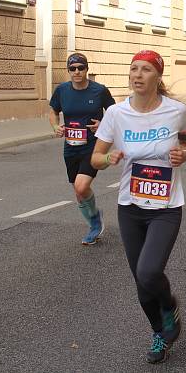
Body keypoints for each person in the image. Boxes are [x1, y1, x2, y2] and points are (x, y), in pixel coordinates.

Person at [92, 50, 186, 364]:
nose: (137, 75)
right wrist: (108, 159)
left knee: (150, 272)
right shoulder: (116, 114)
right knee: (141, 279)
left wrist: (185, 155)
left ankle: (169, 306)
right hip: (131, 206)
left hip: (166, 206)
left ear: (158, 76)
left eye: (146, 69)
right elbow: (96, 157)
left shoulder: (176, 111)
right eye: (133, 69)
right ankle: (159, 334)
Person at [49, 53, 115, 245]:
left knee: (81, 186)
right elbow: (53, 111)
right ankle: (94, 216)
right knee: (79, 192)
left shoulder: (99, 91)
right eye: (72, 69)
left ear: (87, 69)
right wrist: (55, 126)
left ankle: (94, 225)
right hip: (71, 147)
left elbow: (114, 114)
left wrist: (102, 124)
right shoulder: (62, 90)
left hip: (93, 147)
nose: (77, 72)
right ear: (68, 71)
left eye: (80, 68)